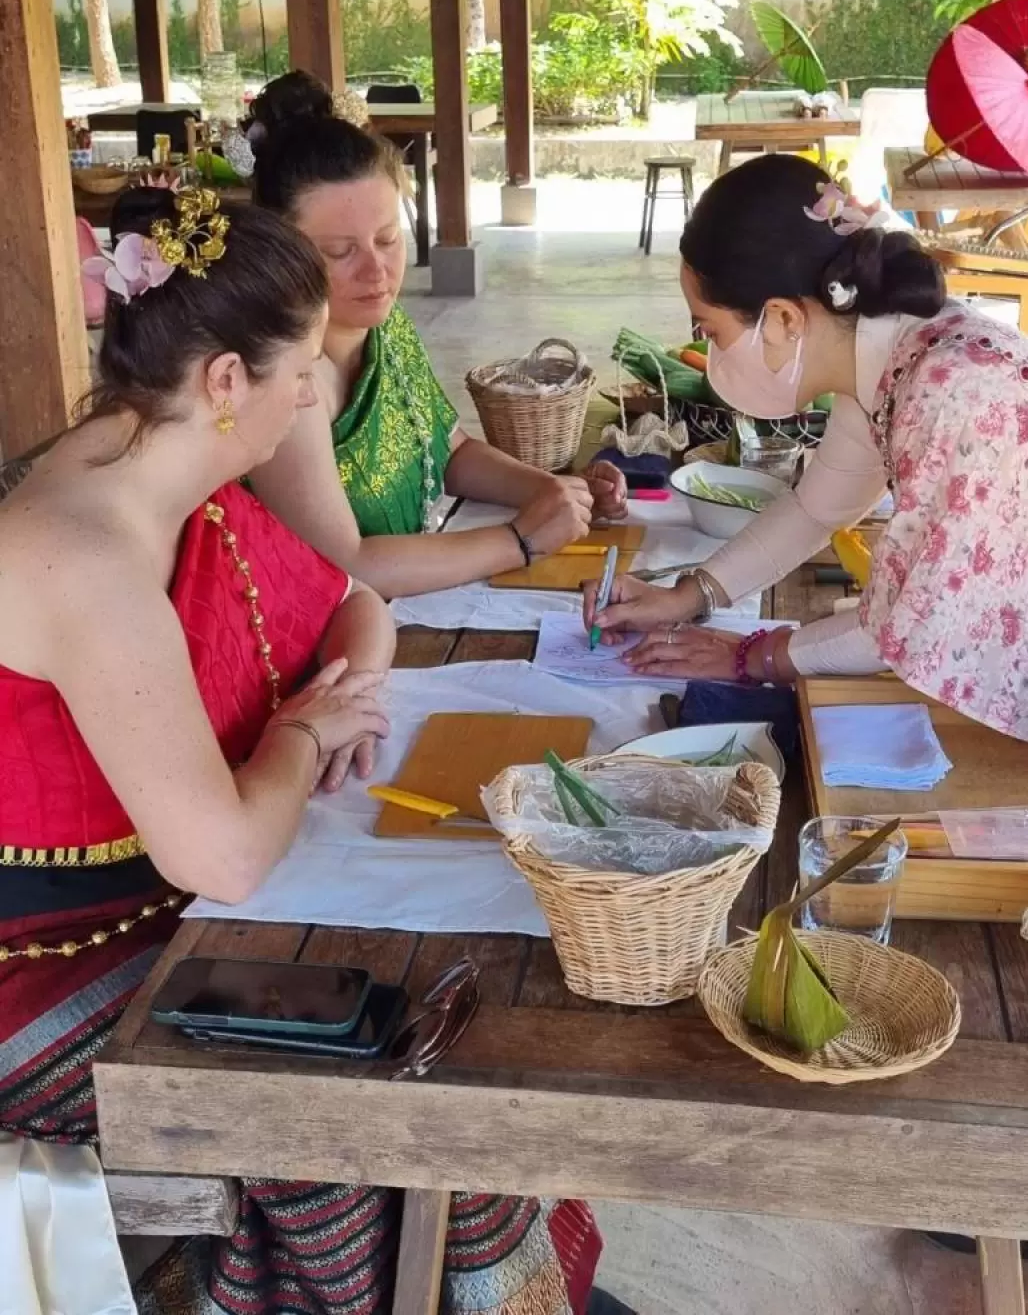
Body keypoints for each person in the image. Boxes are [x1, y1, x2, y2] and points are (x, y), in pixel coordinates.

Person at [0, 188, 601, 1315]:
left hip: (162, 913)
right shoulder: (84, 549)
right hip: (44, 962)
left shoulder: (161, 463)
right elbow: (223, 860)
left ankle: (481, 1288)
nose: (315, 392)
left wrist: (339, 698)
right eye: (299, 371)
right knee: (332, 1081)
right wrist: (301, 736)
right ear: (225, 381)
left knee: (442, 1019)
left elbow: (351, 601)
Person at [586, 153, 1028, 750]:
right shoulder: (896, 354)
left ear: (785, 318)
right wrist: (686, 598)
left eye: (708, 330)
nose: (707, 350)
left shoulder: (949, 389)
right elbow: (818, 508)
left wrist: (754, 656)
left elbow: (902, 628)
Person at [242, 70, 627, 599]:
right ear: (277, 253)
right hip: (324, 644)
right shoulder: (285, 381)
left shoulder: (383, 325)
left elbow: (447, 449)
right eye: (339, 252)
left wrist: (555, 492)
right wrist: (521, 539)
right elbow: (348, 566)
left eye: (387, 239)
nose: (376, 272)